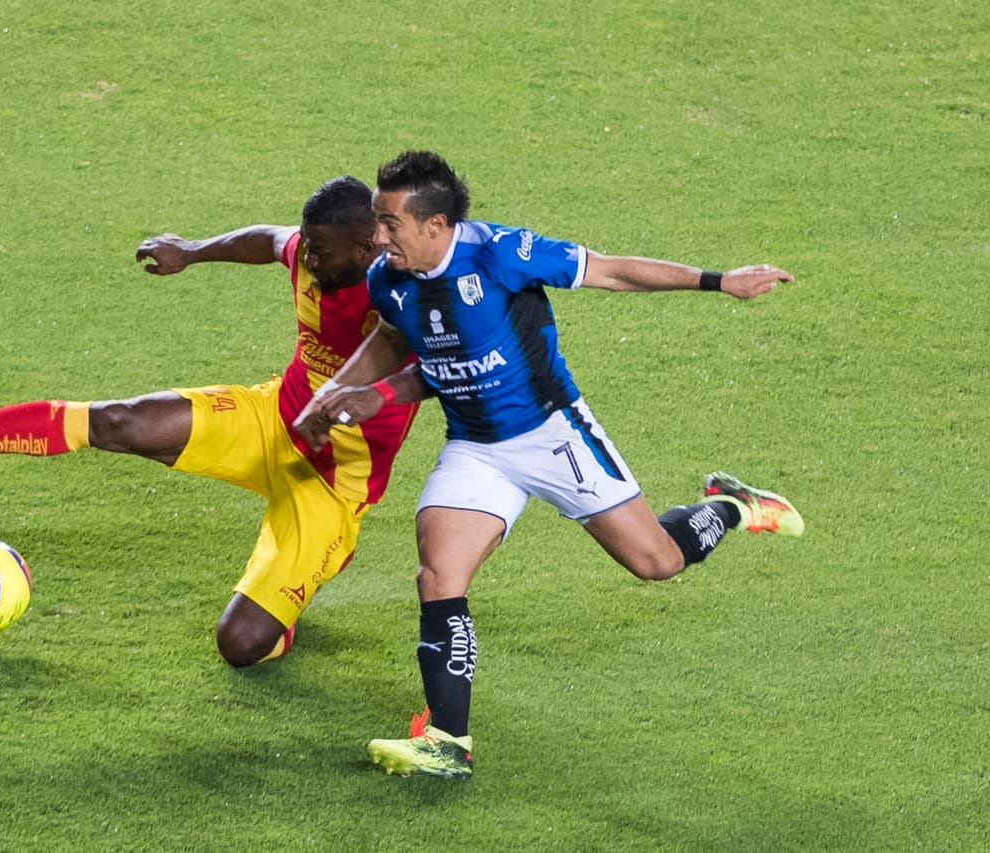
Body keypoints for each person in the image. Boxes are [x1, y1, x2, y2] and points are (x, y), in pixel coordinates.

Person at [294, 151, 805, 778]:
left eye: (390, 223)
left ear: (436, 225)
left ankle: (733, 504)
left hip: (551, 435)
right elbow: (399, 340)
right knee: (438, 574)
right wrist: (333, 395)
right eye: (377, 220)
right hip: (476, 447)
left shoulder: (502, 255)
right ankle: (448, 742)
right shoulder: (389, 278)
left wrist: (720, 280)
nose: (377, 236)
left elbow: (612, 272)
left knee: (657, 562)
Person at [0, 176, 422, 668]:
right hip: (273, 417)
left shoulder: (406, 299)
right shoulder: (310, 251)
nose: (310, 262)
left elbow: (442, 371)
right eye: (310, 250)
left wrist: (376, 396)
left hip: (330, 483)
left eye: (322, 254)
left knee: (241, 645)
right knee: (122, 422)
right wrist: (192, 252)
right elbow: (269, 239)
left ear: (368, 244)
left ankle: (288, 602)